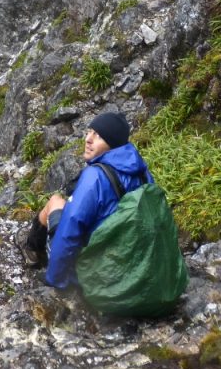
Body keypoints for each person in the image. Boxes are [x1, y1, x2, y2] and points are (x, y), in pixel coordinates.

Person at [22, 111, 153, 289]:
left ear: (112, 144)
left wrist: (55, 279)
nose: (88, 139)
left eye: (98, 136)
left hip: (99, 270)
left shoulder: (95, 177)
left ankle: (32, 251)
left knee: (55, 202)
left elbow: (70, 230)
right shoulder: (142, 171)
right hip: (131, 263)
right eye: (89, 132)